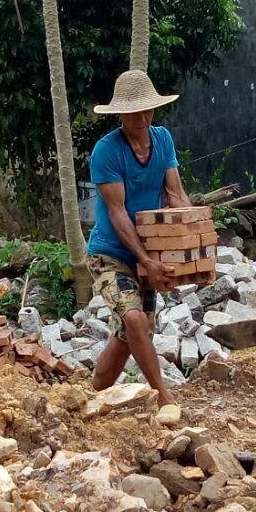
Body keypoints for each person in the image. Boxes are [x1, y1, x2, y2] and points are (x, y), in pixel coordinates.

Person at [86, 69, 192, 426]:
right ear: (119, 113)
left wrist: (195, 250)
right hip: (110, 253)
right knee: (133, 318)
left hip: (150, 251)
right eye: (134, 112)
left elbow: (177, 196)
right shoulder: (106, 152)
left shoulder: (163, 141)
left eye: (147, 111)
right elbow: (116, 212)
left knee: (130, 332)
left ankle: (94, 395)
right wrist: (145, 259)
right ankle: (163, 395)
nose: (142, 118)